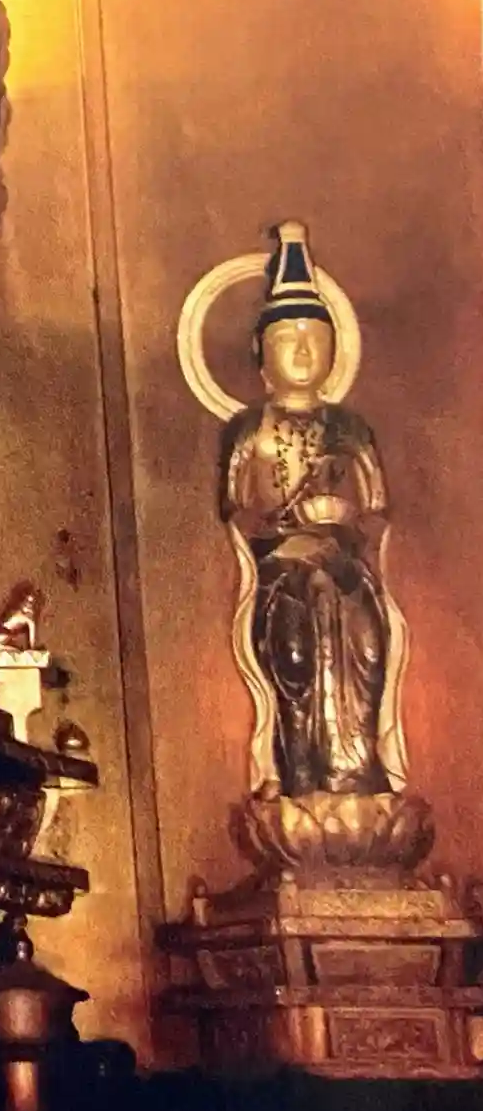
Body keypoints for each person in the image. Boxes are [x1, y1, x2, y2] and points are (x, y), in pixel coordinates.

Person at [220, 225, 391, 797]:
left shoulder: (351, 429)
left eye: (314, 338)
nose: (301, 350)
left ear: (333, 350)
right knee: (294, 653)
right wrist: (286, 531)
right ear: (261, 355)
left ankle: (356, 768)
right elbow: (236, 513)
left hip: (346, 571)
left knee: (367, 645)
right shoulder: (250, 430)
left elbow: (377, 514)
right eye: (287, 338)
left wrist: (343, 523)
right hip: (283, 572)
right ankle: (301, 773)